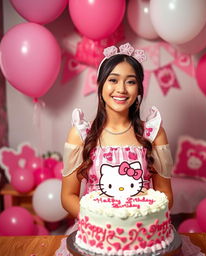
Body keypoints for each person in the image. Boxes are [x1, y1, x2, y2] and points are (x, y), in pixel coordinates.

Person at [55, 42, 174, 255]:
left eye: (130, 82)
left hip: (143, 238)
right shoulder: (82, 134)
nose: (121, 89)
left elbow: (165, 193)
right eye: (113, 80)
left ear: (139, 89)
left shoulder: (153, 134)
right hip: (95, 237)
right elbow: (68, 196)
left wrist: (133, 222)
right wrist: (104, 223)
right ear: (100, 85)